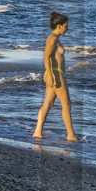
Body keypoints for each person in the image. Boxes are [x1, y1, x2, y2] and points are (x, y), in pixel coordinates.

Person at [33, 11, 78, 141]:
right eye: (66, 26)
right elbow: (46, 56)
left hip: (54, 73)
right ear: (59, 25)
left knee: (49, 103)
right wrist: (52, 75)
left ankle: (37, 132)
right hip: (55, 73)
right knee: (67, 104)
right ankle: (71, 135)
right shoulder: (52, 39)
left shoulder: (55, 39)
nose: (67, 28)